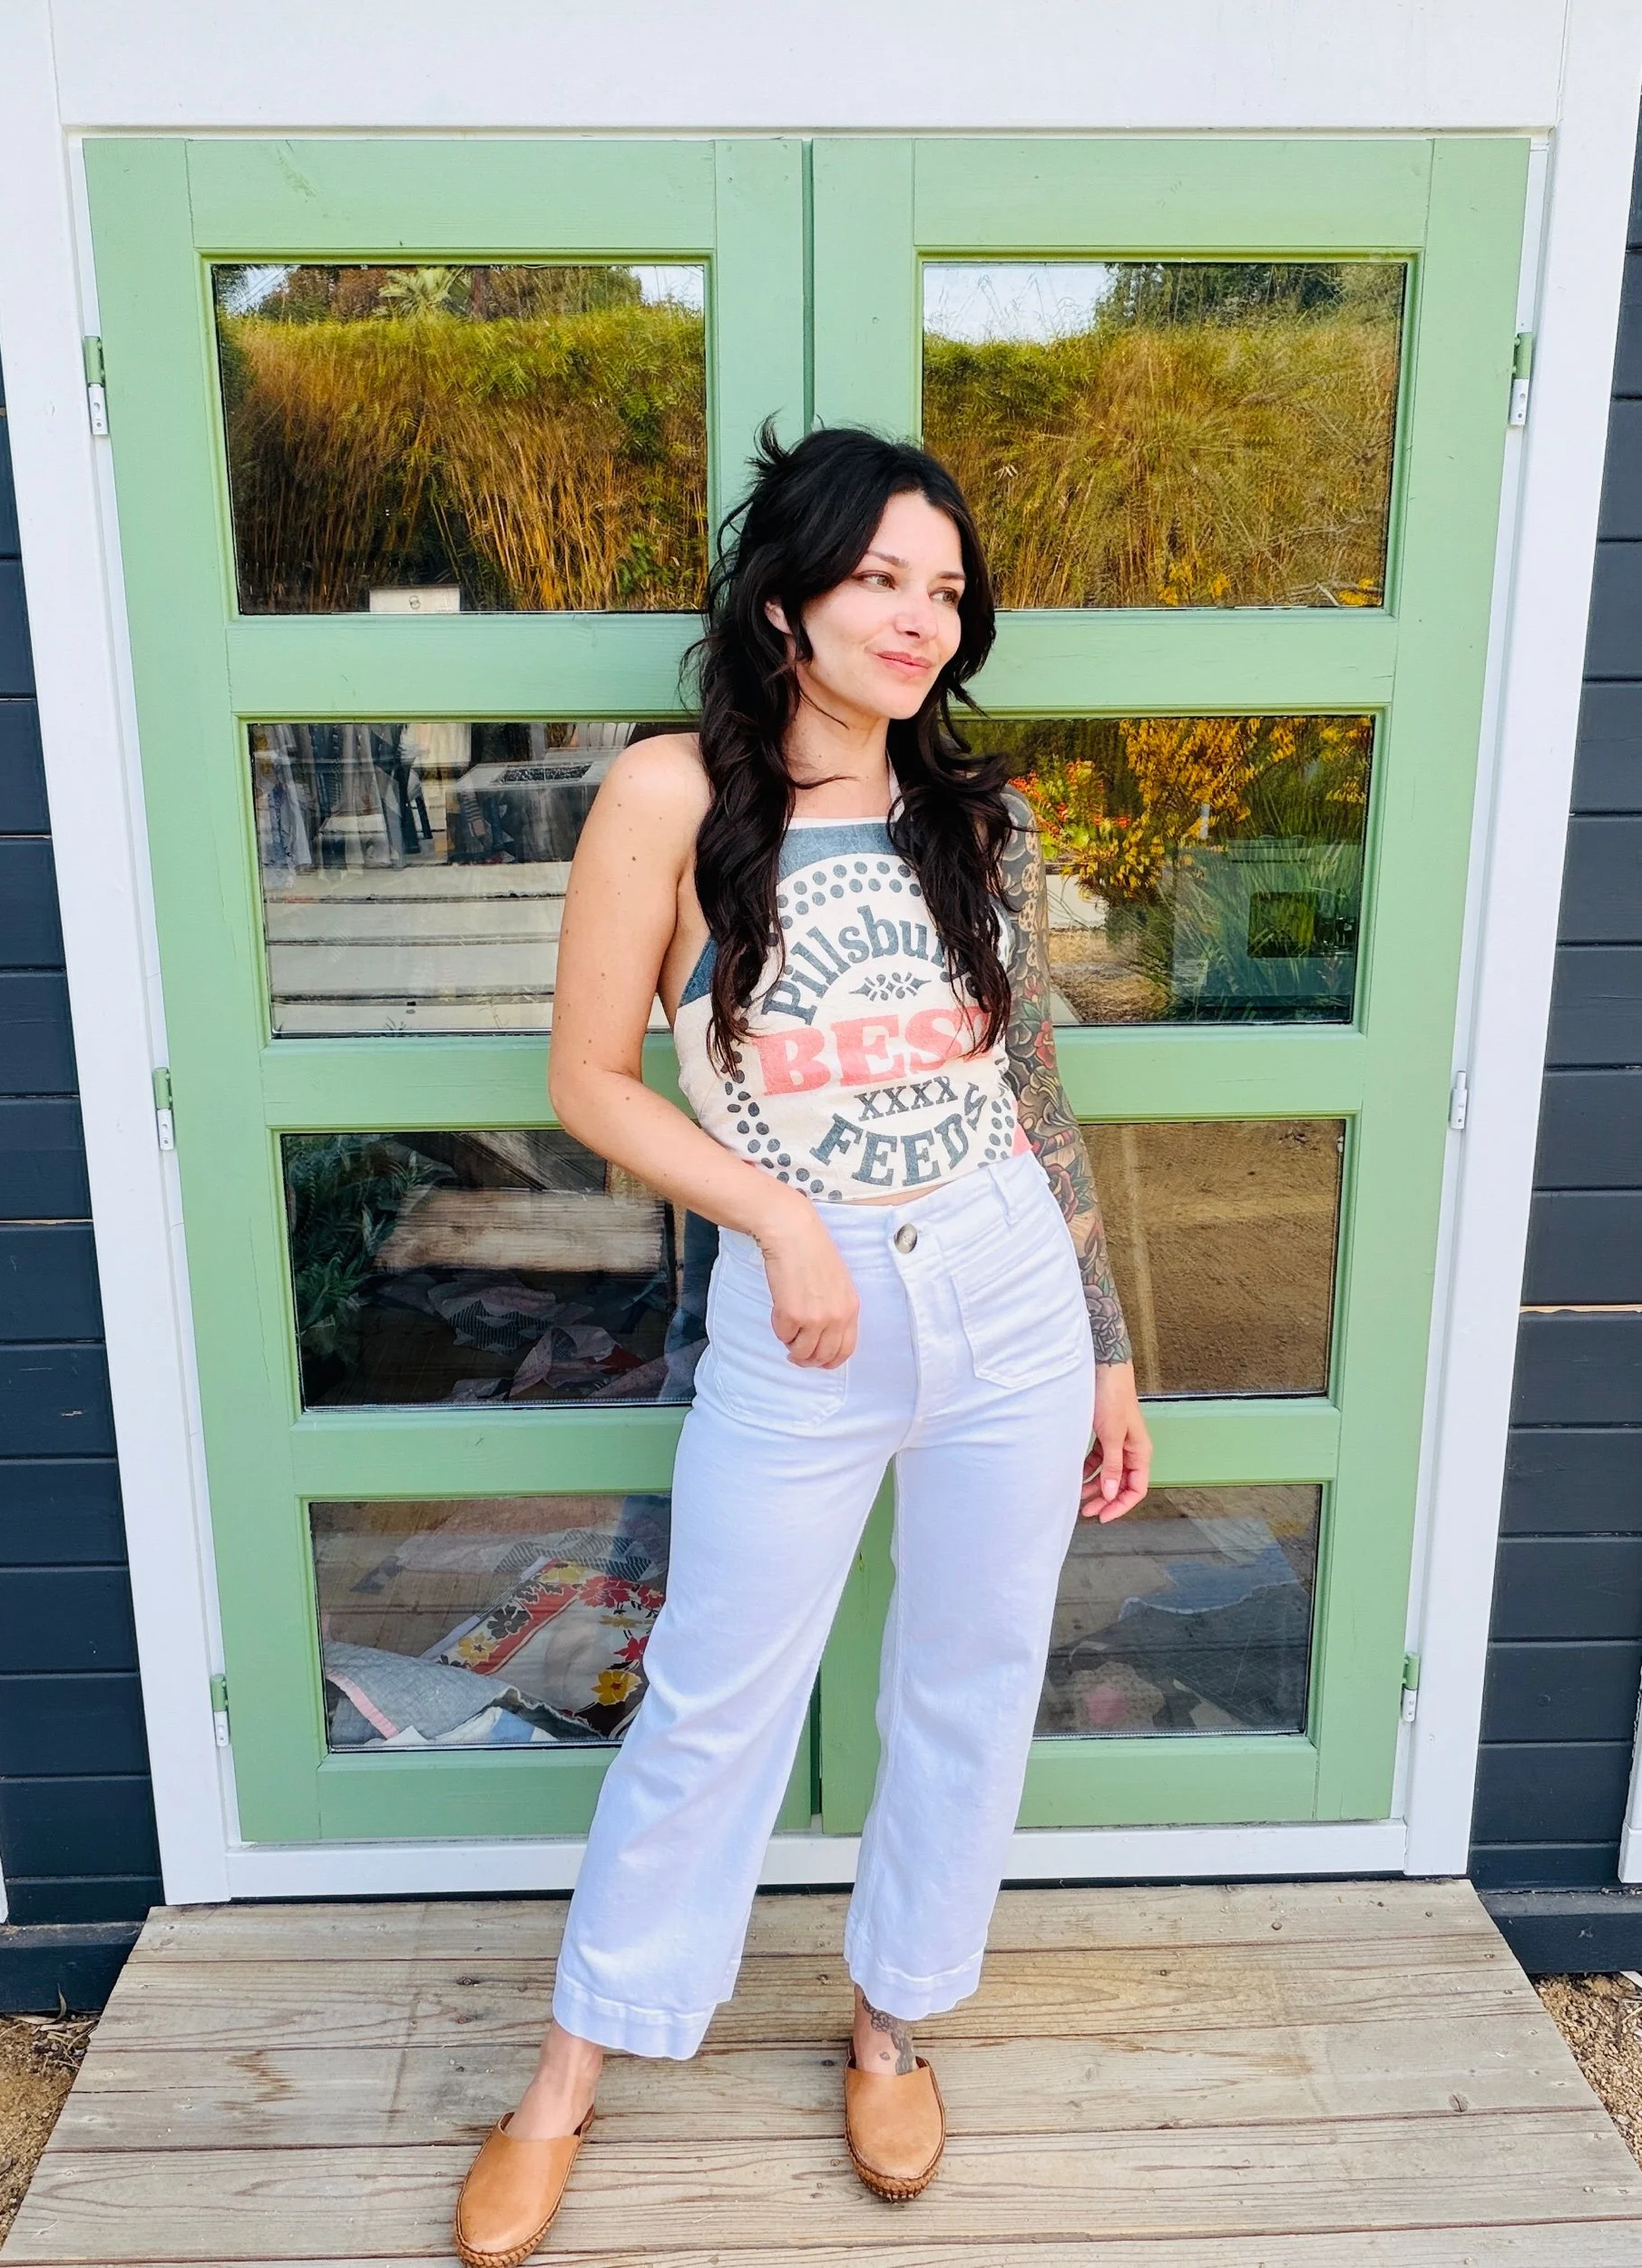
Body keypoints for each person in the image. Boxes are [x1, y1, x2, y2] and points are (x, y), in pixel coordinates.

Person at [453, 426, 1151, 2267]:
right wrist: (775, 1219)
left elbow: (1032, 1096)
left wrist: (1103, 1348)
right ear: (786, 601)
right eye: (880, 580)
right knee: (711, 1696)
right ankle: (566, 2074)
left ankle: (891, 2019)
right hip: (805, 1318)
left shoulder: (974, 816)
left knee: (972, 1671)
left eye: (946, 590)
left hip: (1006, 1286)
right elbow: (587, 1079)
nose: (920, 618)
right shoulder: (669, 793)